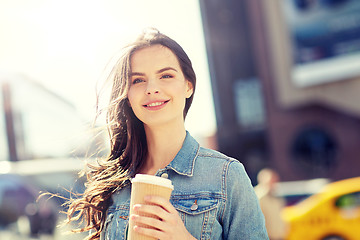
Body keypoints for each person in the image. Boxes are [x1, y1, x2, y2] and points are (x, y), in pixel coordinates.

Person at [66, 28, 268, 240]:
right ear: (127, 95)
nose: (152, 88)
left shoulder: (226, 176)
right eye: (138, 80)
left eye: (166, 75)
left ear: (188, 86)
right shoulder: (115, 182)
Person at [255, 168, 287, 240]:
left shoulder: (277, 197)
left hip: (279, 237)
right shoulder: (257, 197)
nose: (274, 183)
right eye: (272, 180)